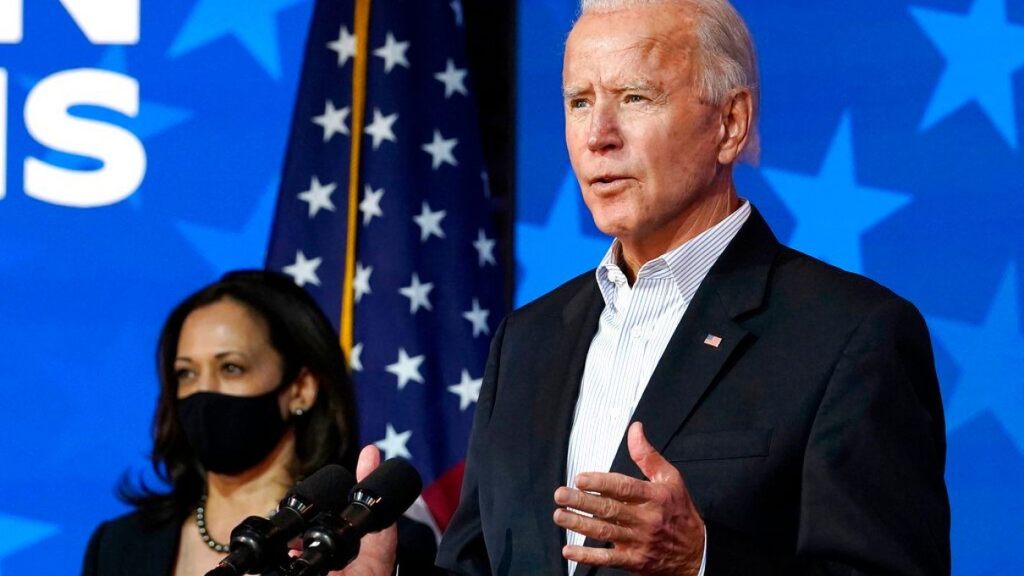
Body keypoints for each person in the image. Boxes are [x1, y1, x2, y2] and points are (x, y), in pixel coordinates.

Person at [435, 1, 951, 575]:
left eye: (635, 98)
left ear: (730, 124)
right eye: (580, 102)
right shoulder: (525, 342)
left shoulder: (851, 335)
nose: (598, 136)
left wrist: (702, 562)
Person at [82, 270, 434, 576]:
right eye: (186, 373)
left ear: (300, 389)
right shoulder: (119, 545)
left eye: (230, 367)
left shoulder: (369, 542)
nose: (204, 391)